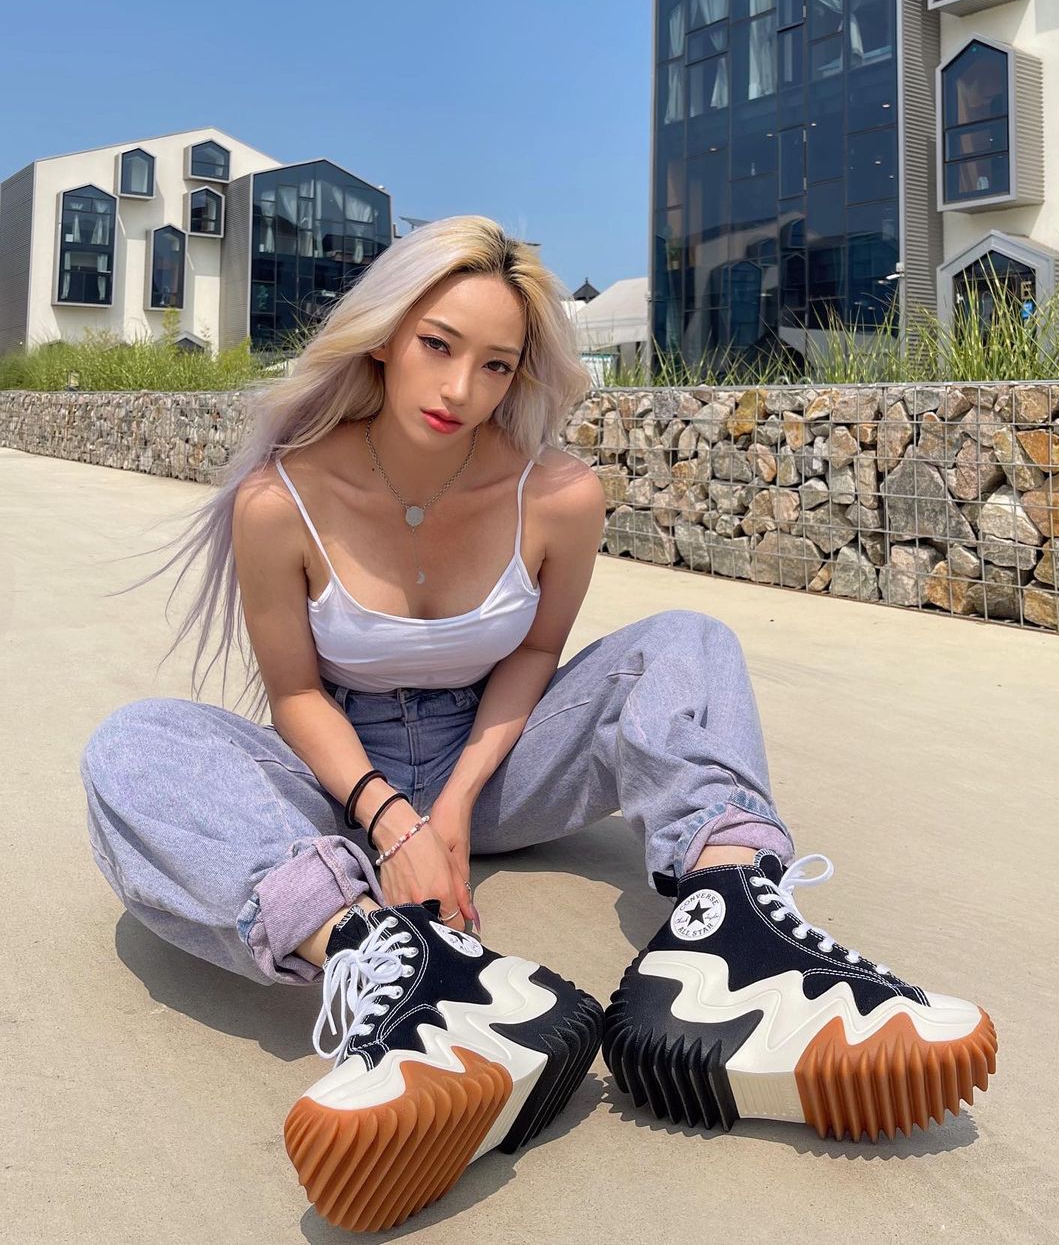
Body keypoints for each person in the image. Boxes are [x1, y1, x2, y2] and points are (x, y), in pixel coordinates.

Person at [80, 216, 997, 1234]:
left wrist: (454, 808)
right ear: (384, 335)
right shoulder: (278, 499)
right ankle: (402, 966)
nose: (460, 389)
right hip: (340, 786)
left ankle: (728, 938)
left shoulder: (557, 493)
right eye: (438, 345)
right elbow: (294, 694)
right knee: (134, 746)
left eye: (496, 365)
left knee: (685, 640)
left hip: (502, 762)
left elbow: (533, 657)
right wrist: (391, 822)